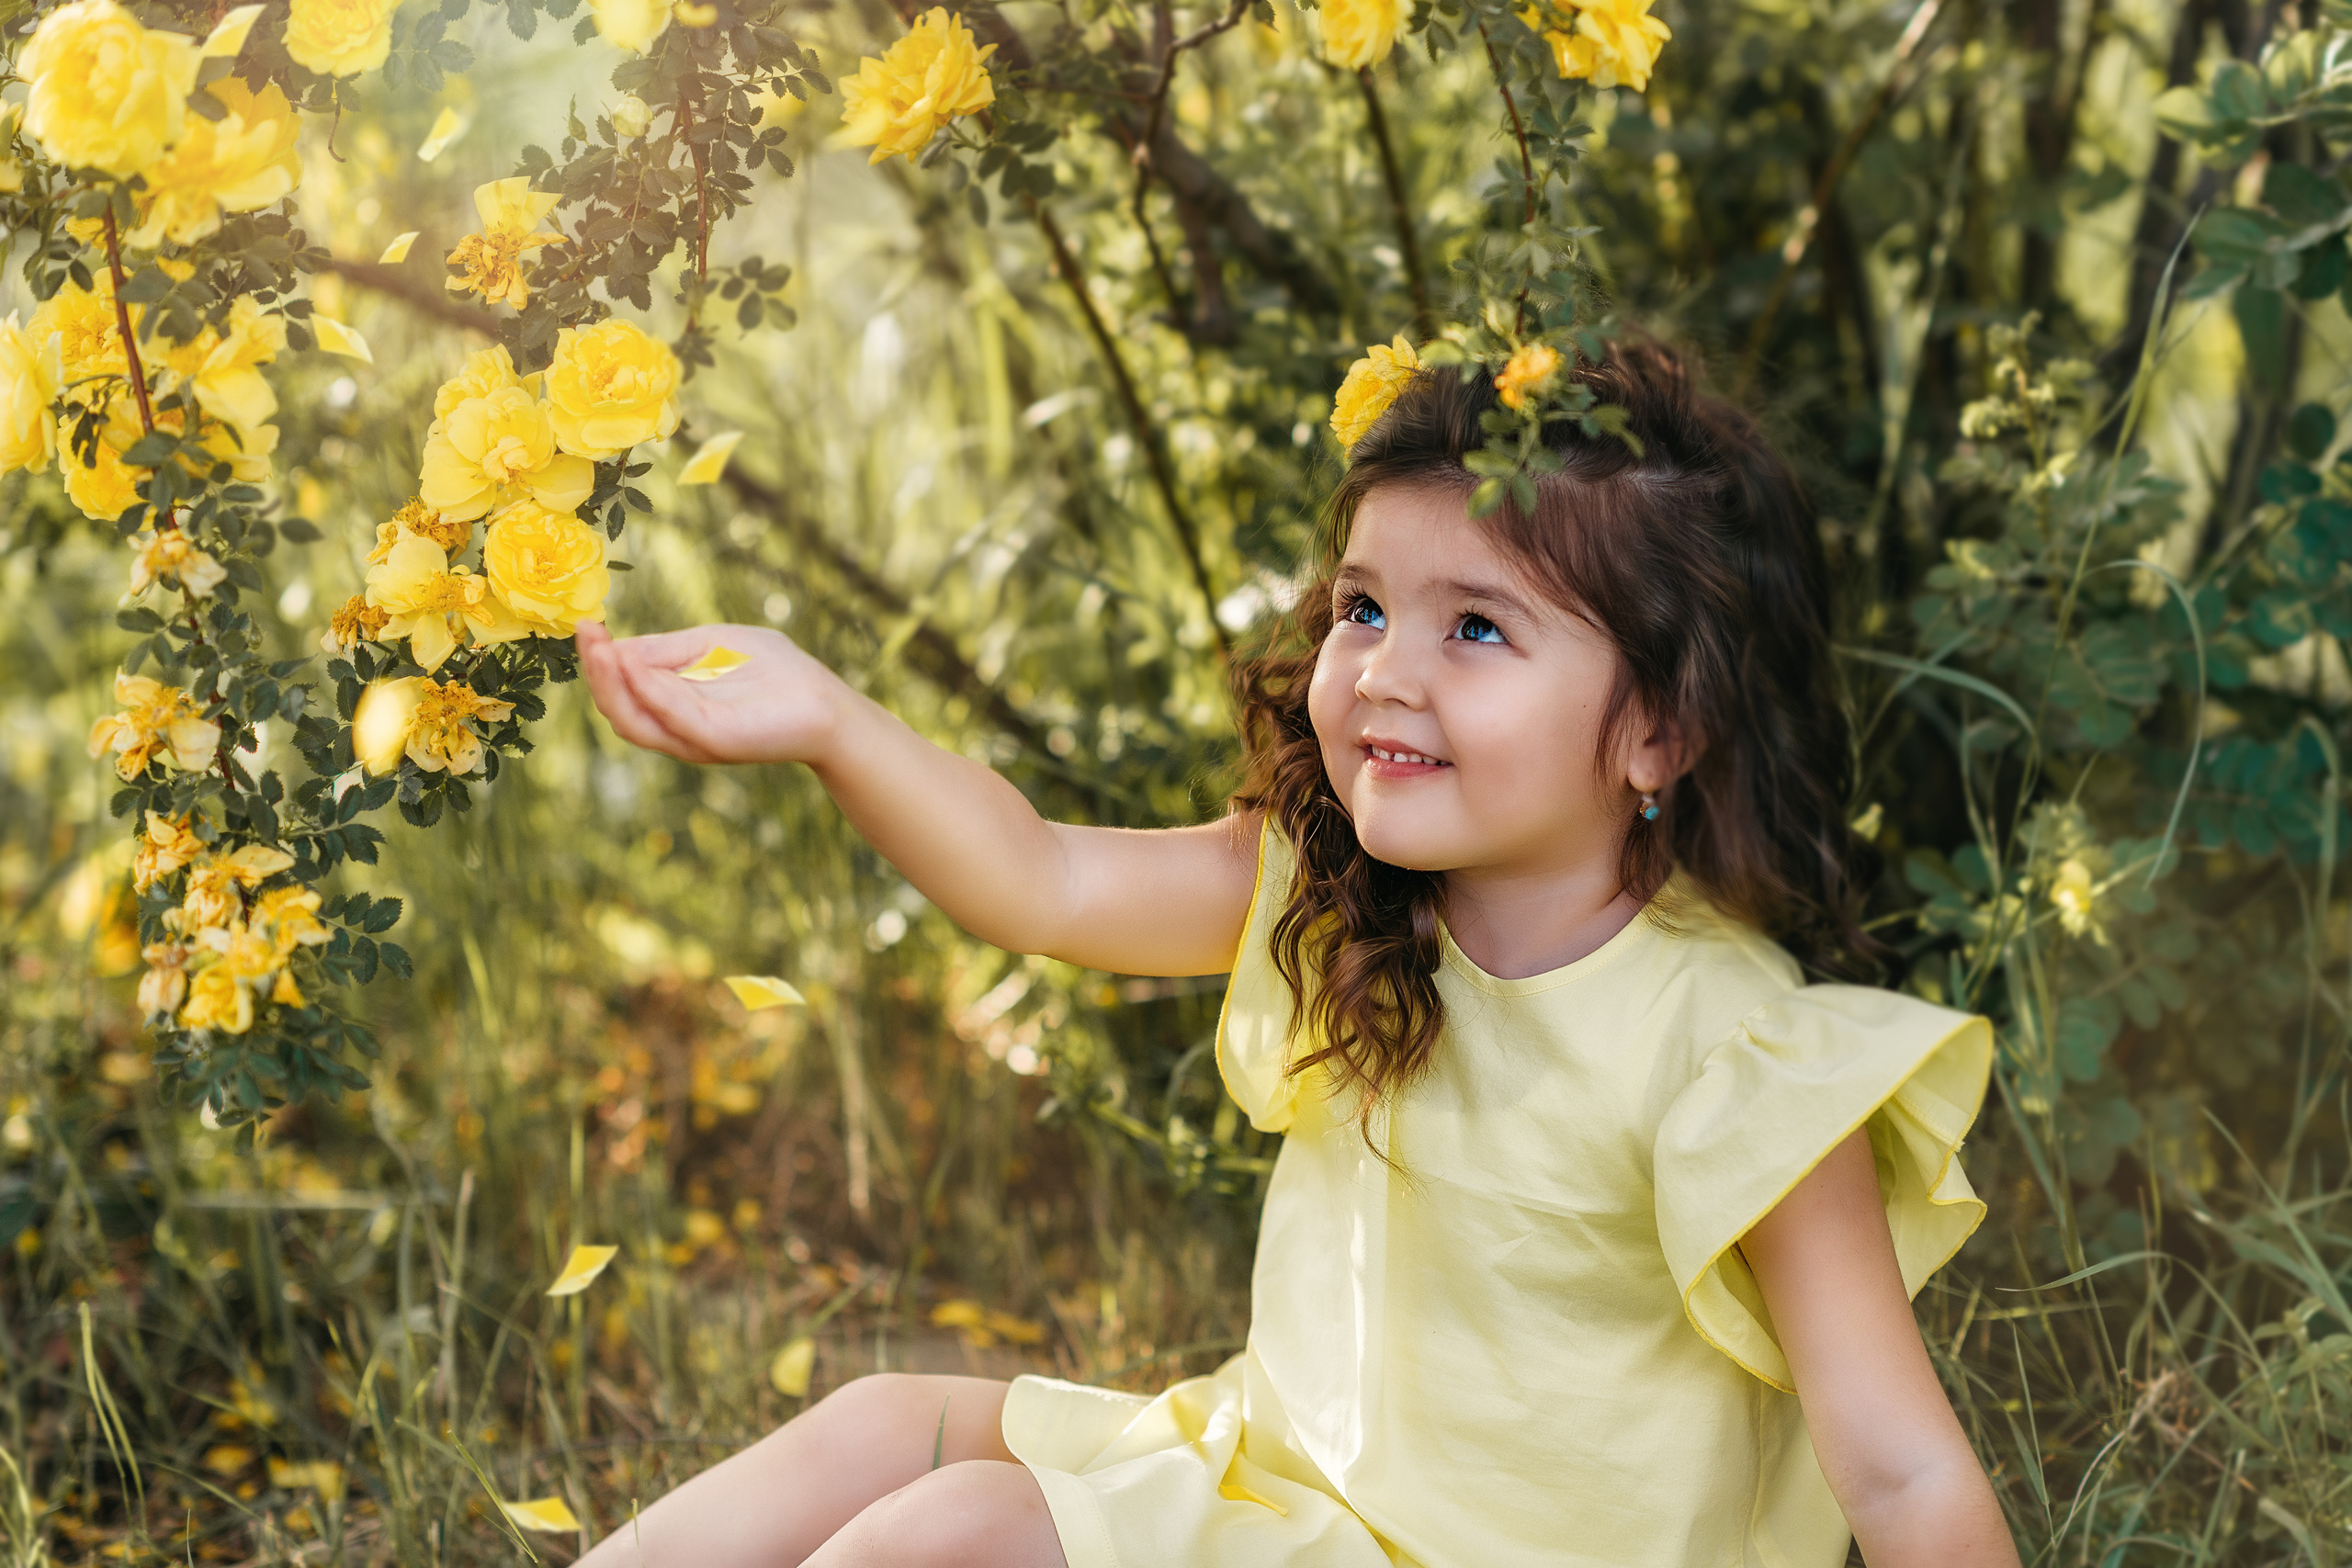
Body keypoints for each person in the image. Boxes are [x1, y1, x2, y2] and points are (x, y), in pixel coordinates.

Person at [571, 337, 2021, 1568]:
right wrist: (830, 721)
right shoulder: (1334, 896)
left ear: (1660, 728)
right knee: (891, 1426)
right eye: (1364, 608)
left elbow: (1901, 1475)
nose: (1385, 669)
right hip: (1284, 1495)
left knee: (956, 1535)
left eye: (1477, 628)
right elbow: (1042, 879)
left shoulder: (1735, 1054)